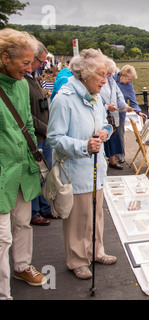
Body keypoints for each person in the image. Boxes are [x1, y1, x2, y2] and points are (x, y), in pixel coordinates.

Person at [47, 48, 116, 280]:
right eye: (101, 75)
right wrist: (83, 146)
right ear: (84, 73)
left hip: (96, 170)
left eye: (106, 75)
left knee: (96, 215)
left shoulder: (95, 97)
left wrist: (105, 132)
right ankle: (77, 260)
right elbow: (54, 138)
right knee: (78, 219)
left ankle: (96, 251)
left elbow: (105, 124)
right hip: (75, 171)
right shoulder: (64, 99)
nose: (105, 81)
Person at [0, 28, 46, 300]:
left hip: (22, 169)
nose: (31, 68)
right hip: (2, 173)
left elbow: (27, 122)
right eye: (26, 63)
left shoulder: (20, 84)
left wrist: (33, 158)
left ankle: (21, 266)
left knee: (23, 222)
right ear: (5, 57)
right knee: (2, 237)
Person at [25, 41, 54, 226]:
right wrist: (46, 128)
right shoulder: (24, 81)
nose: (41, 65)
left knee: (46, 174)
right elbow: (27, 115)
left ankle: (44, 208)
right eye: (40, 61)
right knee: (37, 176)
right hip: (37, 136)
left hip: (43, 134)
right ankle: (35, 211)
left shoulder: (32, 78)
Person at [114, 64, 147, 164]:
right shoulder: (111, 79)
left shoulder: (128, 85)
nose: (130, 81)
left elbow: (133, 99)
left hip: (120, 114)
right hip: (108, 113)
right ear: (123, 74)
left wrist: (138, 111)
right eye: (129, 79)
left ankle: (120, 156)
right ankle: (110, 156)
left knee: (120, 135)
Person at [100, 59, 129, 170]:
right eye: (108, 73)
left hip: (113, 115)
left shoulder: (111, 80)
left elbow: (119, 95)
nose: (110, 75)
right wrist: (107, 106)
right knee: (104, 139)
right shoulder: (100, 80)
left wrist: (124, 105)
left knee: (112, 137)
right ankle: (103, 162)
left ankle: (112, 161)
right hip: (104, 114)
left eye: (111, 73)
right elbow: (96, 99)